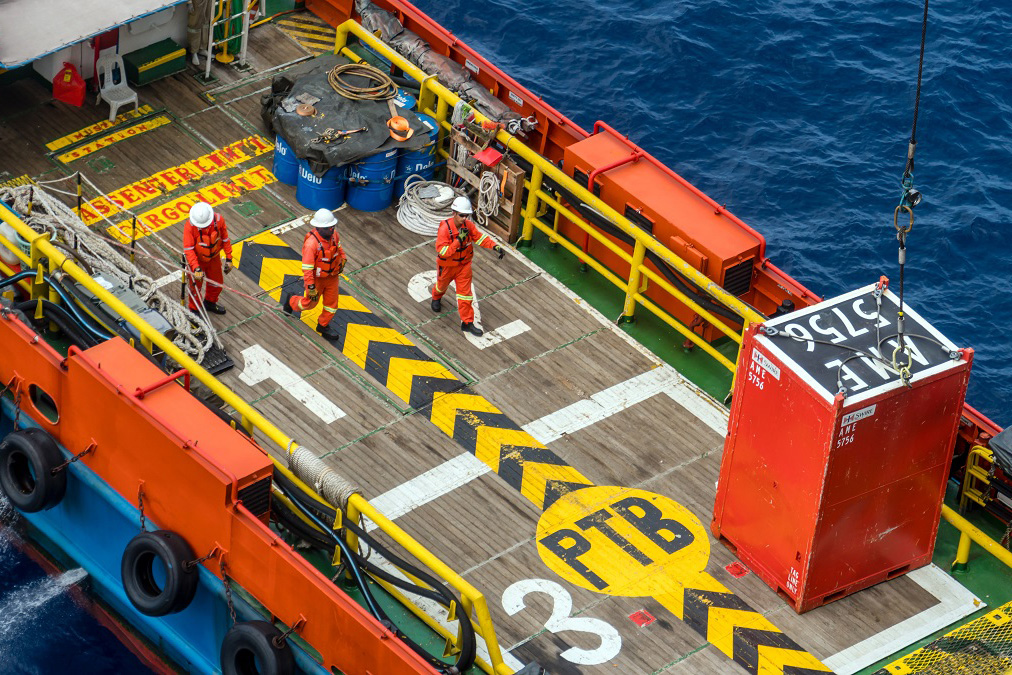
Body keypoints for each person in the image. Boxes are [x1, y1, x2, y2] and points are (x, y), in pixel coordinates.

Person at [430, 196, 504, 337]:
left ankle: (467, 323)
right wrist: (458, 241)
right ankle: (436, 297)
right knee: (441, 285)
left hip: (464, 266)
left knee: (465, 296)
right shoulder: (445, 229)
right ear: (454, 213)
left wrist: (495, 246)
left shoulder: (468, 227)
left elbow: (479, 238)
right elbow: (443, 252)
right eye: (462, 215)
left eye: (467, 215)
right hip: (447, 266)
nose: (464, 218)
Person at [281, 209, 346, 342]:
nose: (332, 229)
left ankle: (323, 325)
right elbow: (307, 269)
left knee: (331, 305)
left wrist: (343, 259)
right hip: (316, 280)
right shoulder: (312, 244)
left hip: (332, 277)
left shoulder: (335, 235)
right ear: (319, 228)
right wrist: (311, 288)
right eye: (329, 227)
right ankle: (291, 301)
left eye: (333, 226)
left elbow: (339, 248)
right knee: (309, 304)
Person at [183, 201, 232, 315]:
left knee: (217, 283)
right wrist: (196, 268)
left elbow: (225, 238)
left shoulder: (219, 220)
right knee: (195, 288)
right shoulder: (189, 227)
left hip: (214, 258)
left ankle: (210, 302)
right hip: (197, 261)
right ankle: (194, 311)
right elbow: (189, 249)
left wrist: (229, 258)